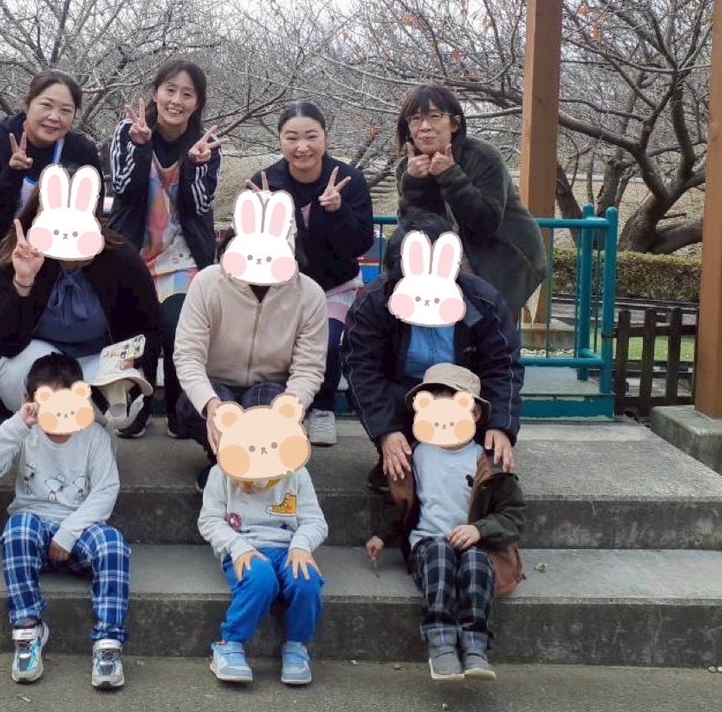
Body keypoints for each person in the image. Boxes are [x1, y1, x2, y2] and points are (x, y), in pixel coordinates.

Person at [0, 352, 131, 690]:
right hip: (35, 531)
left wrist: (69, 533)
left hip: (81, 531)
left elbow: (106, 491)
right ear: (30, 399)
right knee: (17, 529)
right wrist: (18, 422)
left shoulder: (94, 437)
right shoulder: (24, 432)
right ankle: (28, 629)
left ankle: (108, 642)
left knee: (114, 544)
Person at [343, 210, 525, 493]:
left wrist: (501, 425)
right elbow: (361, 370)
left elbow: (503, 366)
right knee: (398, 481)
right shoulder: (374, 303)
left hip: (465, 401)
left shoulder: (484, 301)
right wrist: (386, 431)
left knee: (490, 483)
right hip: (403, 399)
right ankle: (399, 460)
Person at [365, 364, 526, 683]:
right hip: (427, 541)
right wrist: (382, 535)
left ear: (473, 413)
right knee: (439, 558)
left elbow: (513, 514)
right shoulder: (416, 455)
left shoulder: (488, 461)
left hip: (474, 542)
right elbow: (399, 502)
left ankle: (476, 644)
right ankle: (440, 643)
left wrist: (480, 529)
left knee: (476, 565)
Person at [0, 70, 103, 426]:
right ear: (27, 104)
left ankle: (59, 406)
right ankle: (3, 410)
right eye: (46, 105)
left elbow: (91, 208)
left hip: (55, 258)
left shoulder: (81, 150)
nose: (54, 117)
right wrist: (12, 174)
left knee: (37, 324)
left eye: (66, 110)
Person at [173, 188, 328, 490]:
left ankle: (251, 470)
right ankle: (223, 463)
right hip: (217, 383)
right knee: (206, 407)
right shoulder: (208, 283)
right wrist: (211, 404)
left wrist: (289, 409)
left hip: (272, 384)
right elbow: (188, 354)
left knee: (267, 409)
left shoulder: (309, 294)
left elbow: (309, 368)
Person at [106, 59, 224, 438]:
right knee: (137, 336)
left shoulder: (205, 145)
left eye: (187, 94)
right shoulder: (129, 132)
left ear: (197, 102)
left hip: (182, 258)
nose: (176, 100)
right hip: (134, 257)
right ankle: (135, 408)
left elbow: (199, 206)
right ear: (156, 93)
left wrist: (197, 166)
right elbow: (124, 190)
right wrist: (140, 147)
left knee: (178, 333)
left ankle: (179, 411)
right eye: (170, 90)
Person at [0, 173, 162, 419]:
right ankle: (43, 421)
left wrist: (133, 358)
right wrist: (23, 283)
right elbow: (4, 344)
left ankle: (83, 427)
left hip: (99, 360)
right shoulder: (20, 256)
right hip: (41, 360)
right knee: (15, 373)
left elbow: (151, 327)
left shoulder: (121, 259)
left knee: (120, 395)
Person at [252, 101, 374, 447]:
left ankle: (322, 410)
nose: (302, 146)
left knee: (327, 344)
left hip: (335, 285)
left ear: (325, 137)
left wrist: (338, 211)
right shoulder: (265, 182)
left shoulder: (349, 180)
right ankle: (283, 407)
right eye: (291, 137)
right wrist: (262, 215)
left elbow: (360, 243)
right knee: (278, 348)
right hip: (282, 287)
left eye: (311, 136)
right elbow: (250, 246)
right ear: (280, 140)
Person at [197, 393, 327, 687]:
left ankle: (296, 646)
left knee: (306, 581)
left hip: (288, 547)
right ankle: (230, 644)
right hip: (245, 546)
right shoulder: (221, 473)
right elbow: (209, 520)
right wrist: (237, 547)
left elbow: (314, 520)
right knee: (261, 579)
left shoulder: (296, 472)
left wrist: (301, 546)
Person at [396, 84, 545, 318]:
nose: (424, 127)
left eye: (434, 116)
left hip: (504, 258)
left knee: (491, 333)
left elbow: (486, 222)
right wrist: (415, 183)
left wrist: (451, 176)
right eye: (415, 119)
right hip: (446, 265)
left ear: (454, 124)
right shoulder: (409, 167)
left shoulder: (483, 156)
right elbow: (412, 228)